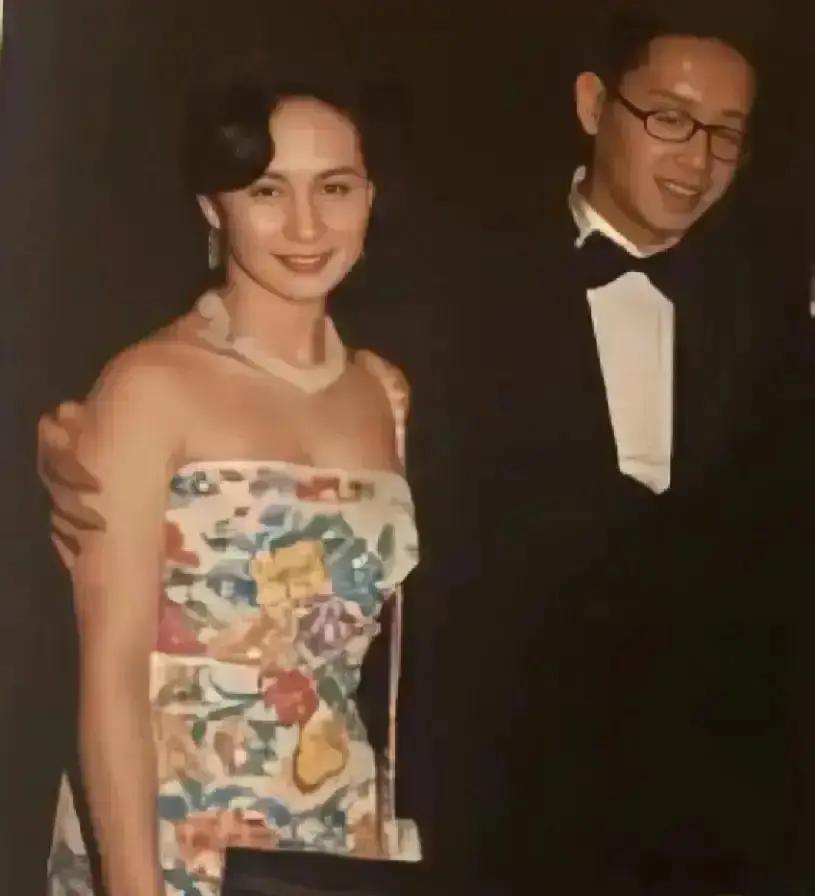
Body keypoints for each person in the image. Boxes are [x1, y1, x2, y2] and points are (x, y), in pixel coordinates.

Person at [39, 6, 813, 895]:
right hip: (480, 806)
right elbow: (221, 375)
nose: (695, 155)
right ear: (593, 104)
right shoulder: (443, 287)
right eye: (669, 117)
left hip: (695, 809)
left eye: (725, 132)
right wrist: (71, 444)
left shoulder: (775, 309)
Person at [43, 69, 423, 896]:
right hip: (173, 832)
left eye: (335, 187)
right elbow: (111, 676)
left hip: (336, 831)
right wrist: (135, 883)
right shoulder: (149, 386)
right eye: (266, 191)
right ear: (213, 209)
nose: (306, 225)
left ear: (370, 196)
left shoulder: (383, 393)